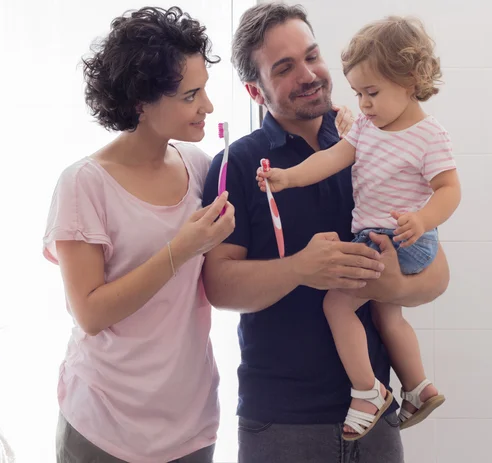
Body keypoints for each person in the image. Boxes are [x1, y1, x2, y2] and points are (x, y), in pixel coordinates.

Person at [201, 3, 450, 463]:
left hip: (378, 417)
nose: (309, 74)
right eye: (285, 68)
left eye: (312, 55)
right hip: (282, 421)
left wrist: (394, 285)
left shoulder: (371, 141)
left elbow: (437, 274)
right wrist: (299, 268)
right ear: (256, 91)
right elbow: (218, 287)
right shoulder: (238, 164)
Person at [42, 7, 235, 463]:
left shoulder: (201, 166)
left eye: (204, 89)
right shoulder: (85, 183)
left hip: (191, 425)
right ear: (140, 102)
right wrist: (182, 248)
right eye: (191, 95)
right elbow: (90, 312)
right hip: (103, 428)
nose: (207, 106)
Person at [256, 15, 460, 440]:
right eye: (358, 94)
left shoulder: (428, 135)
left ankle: (367, 392)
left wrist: (422, 219)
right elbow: (330, 160)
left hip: (397, 238)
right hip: (391, 237)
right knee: (387, 312)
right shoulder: (367, 128)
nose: (364, 105)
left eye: (372, 93)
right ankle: (419, 386)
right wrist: (289, 177)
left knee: (337, 304)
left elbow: (449, 190)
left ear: (410, 80)